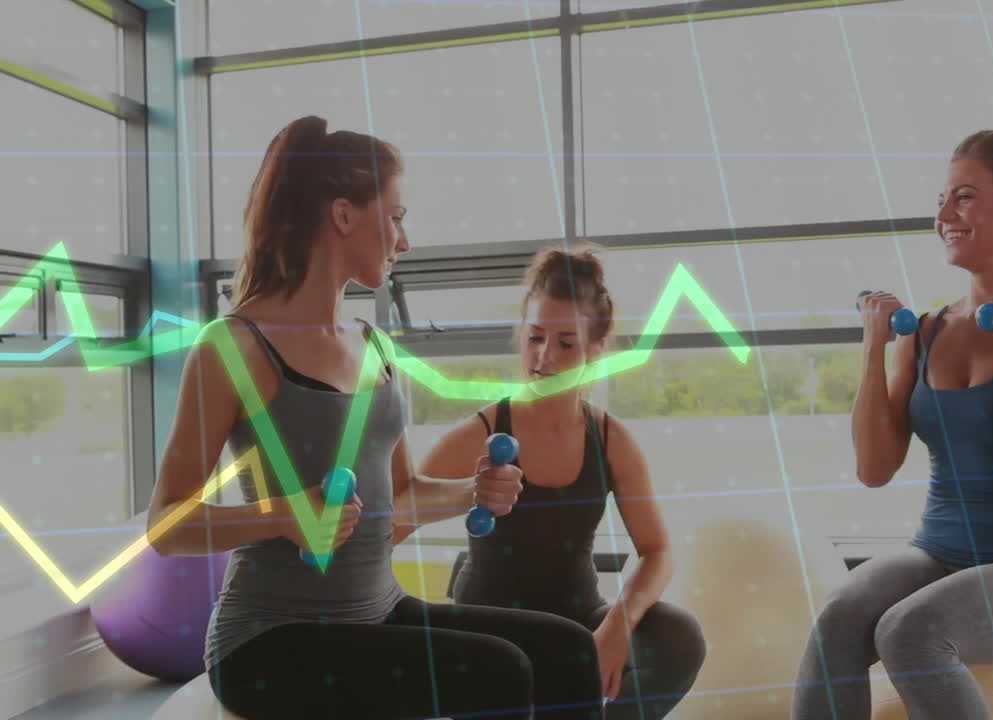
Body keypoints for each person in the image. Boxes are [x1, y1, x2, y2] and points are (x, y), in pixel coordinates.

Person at [145, 115, 604, 720]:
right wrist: (287, 514)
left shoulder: (375, 346)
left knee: (568, 648)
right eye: (396, 217)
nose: (403, 241)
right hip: (268, 640)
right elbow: (167, 525)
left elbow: (403, 495)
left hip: (377, 608)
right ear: (343, 215)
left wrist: (475, 491)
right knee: (501, 672)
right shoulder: (234, 347)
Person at [792, 129, 993, 720]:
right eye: (941, 200)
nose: (944, 215)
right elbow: (874, 469)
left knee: (910, 631)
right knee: (839, 618)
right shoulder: (928, 331)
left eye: (964, 197)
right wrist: (874, 345)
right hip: (938, 550)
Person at [415, 245, 707, 720]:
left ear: (596, 348)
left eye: (566, 343)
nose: (544, 357)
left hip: (577, 622)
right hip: (493, 634)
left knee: (680, 637)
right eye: (535, 338)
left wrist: (617, 624)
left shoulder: (611, 440)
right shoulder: (481, 433)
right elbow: (402, 508)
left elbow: (658, 551)